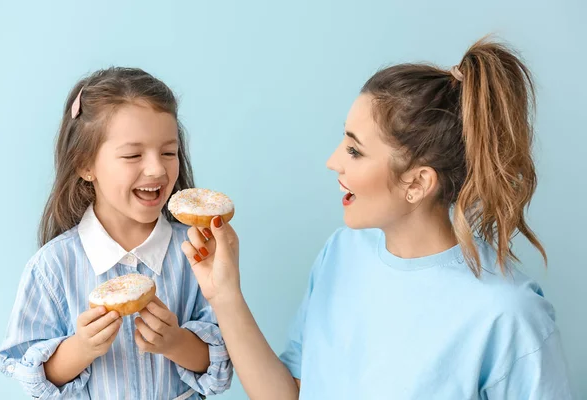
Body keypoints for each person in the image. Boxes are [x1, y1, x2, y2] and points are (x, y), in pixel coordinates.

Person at [182, 38, 574, 399]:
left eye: (355, 151)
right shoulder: (342, 252)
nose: (333, 161)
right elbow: (293, 393)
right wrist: (225, 296)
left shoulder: (508, 316)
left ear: (418, 183)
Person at [0, 67, 232, 399]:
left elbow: (221, 364)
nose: (156, 169)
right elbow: (32, 373)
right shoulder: (53, 266)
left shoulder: (197, 252)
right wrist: (81, 348)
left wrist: (176, 343)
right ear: (85, 165)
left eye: (168, 152)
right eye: (133, 155)